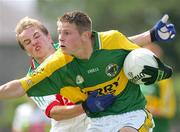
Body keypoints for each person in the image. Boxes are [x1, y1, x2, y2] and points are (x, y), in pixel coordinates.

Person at [0, 11, 175, 132]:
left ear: (48, 36)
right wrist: (86, 106)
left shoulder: (70, 48)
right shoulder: (37, 76)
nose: (34, 43)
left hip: (97, 118)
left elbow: (116, 46)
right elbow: (55, 113)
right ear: (26, 51)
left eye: (36, 36)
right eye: (27, 43)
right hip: (69, 126)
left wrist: (151, 35)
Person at [141, 43, 176, 132]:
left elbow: (170, 109)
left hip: (158, 127)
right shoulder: (136, 79)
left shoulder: (164, 80)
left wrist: (151, 110)